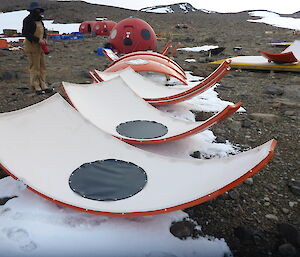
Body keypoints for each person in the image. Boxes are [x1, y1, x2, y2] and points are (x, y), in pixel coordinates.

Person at [22, 2, 53, 95]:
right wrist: (37, 40)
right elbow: (26, 33)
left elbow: (43, 31)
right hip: (32, 46)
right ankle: (35, 86)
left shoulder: (40, 20)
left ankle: (43, 84)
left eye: (39, 10)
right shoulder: (27, 20)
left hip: (40, 47)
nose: (38, 12)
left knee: (42, 66)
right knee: (35, 67)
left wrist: (44, 39)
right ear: (32, 11)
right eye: (36, 10)